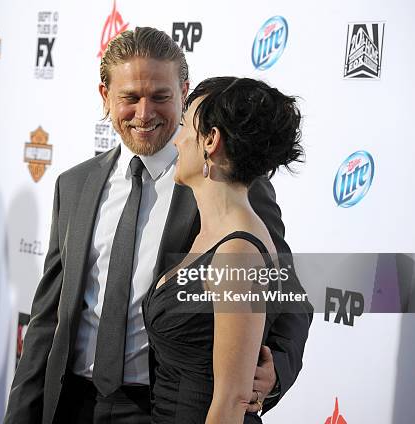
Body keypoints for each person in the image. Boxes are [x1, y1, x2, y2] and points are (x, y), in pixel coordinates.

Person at [4, 27, 312, 424]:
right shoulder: (74, 185)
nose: (144, 114)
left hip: (163, 409)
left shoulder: (226, 182)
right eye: (130, 98)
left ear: (184, 93)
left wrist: (273, 373)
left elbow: (288, 296)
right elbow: (49, 318)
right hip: (72, 405)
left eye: (161, 97)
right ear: (105, 98)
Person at [142, 76, 304, 424]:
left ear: (210, 141)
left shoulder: (238, 253)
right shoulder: (215, 234)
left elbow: (230, 402)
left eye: (185, 126)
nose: (178, 138)